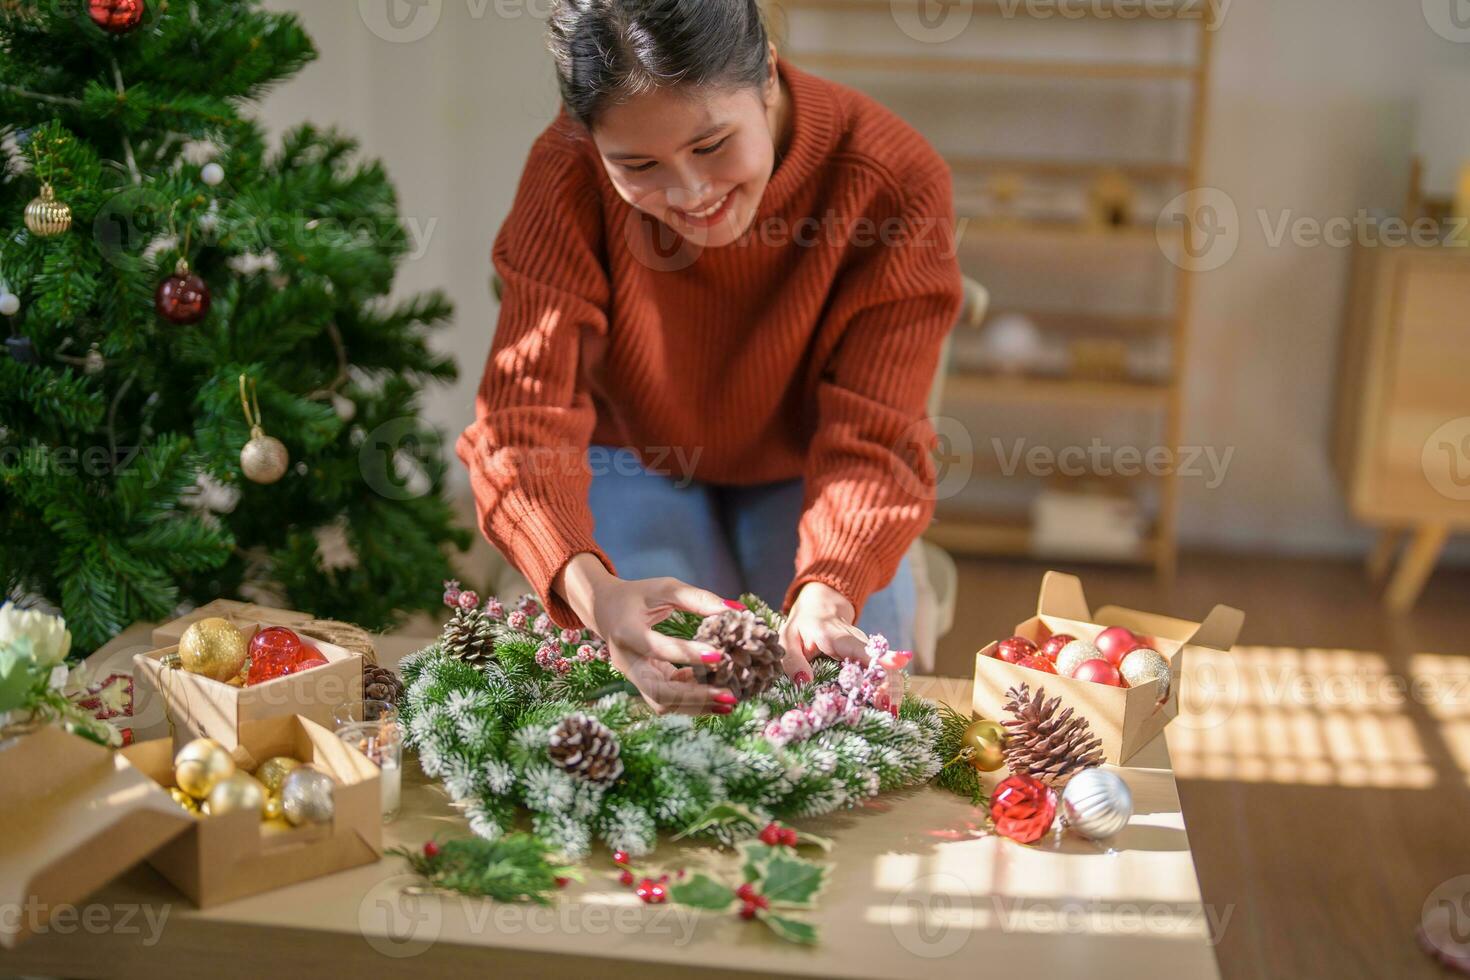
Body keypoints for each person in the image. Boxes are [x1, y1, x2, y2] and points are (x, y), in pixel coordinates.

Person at [458, 0, 963, 714]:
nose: (690, 195)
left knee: (845, 682)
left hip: (808, 468)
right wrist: (590, 590)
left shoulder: (892, 178)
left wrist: (831, 585)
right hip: (629, 454)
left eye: (712, 145)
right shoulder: (565, 169)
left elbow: (876, 437)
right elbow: (522, 415)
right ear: (592, 140)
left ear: (766, 79)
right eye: (637, 164)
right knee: (662, 682)